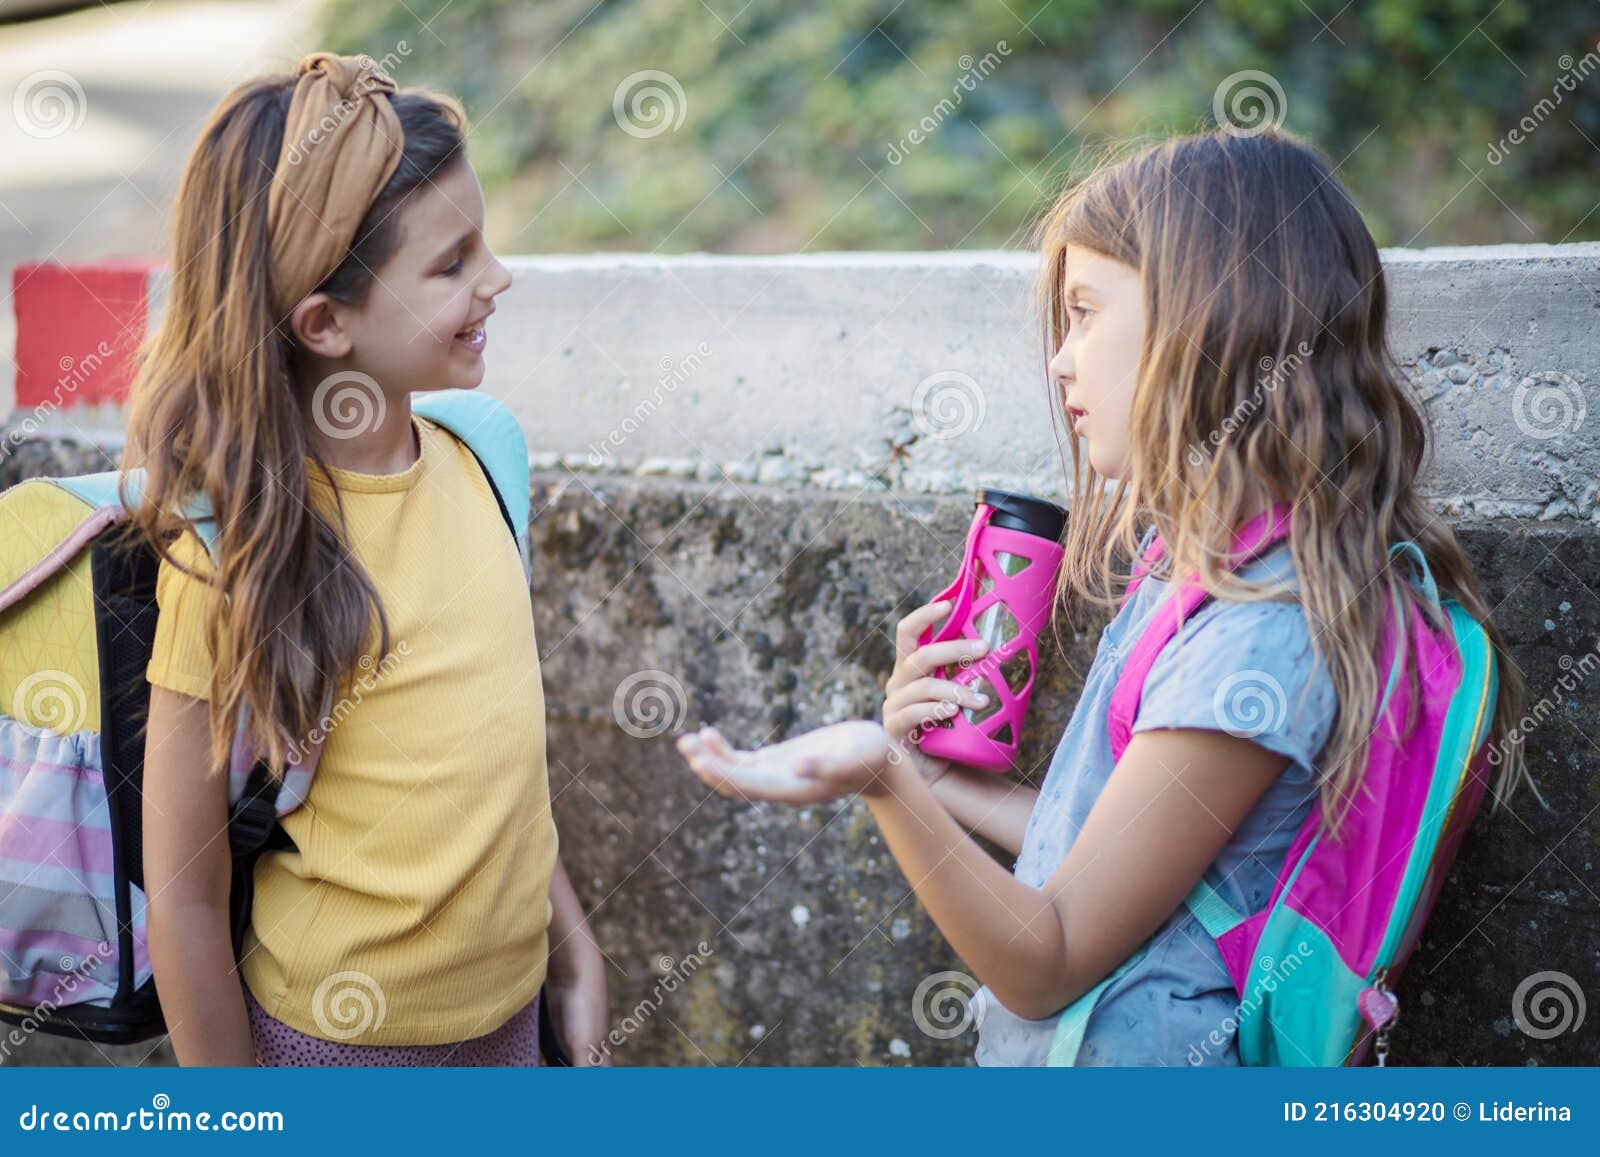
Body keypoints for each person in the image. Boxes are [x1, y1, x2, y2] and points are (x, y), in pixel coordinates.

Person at [677, 128, 1529, 1066]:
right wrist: (939, 782)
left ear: (1210, 319)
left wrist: (879, 773)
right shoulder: (1204, 564)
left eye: (1086, 313)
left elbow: (1048, 958)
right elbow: (1111, 859)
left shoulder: (1260, 634)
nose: (1061, 360)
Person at [127, 53, 607, 1066]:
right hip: (343, 1056)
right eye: (453, 262)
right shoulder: (234, 551)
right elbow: (183, 898)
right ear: (324, 321)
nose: (499, 278)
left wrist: (571, 953)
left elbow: (500, 771)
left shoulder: (483, 460)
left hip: (513, 1025)